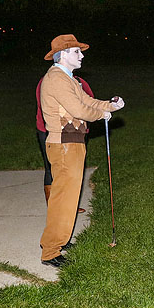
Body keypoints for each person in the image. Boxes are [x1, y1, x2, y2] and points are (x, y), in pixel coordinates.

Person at [39, 34, 125, 269]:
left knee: (68, 198)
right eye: (77, 51)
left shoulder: (69, 79)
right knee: (63, 199)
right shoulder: (56, 79)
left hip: (73, 144)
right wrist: (101, 115)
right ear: (63, 54)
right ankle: (50, 251)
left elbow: (88, 100)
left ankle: (59, 241)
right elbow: (79, 109)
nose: (82, 55)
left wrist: (110, 105)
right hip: (64, 145)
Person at [36, 73, 94, 212]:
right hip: (48, 131)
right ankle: (54, 209)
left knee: (72, 168)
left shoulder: (79, 82)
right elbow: (43, 105)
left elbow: (90, 103)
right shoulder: (46, 81)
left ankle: (70, 206)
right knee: (51, 167)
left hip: (74, 132)